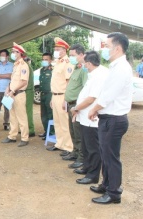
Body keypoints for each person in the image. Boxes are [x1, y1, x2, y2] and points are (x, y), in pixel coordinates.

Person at [88, 32, 132, 204]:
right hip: (109, 118)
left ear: (118, 48)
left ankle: (113, 193)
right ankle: (106, 185)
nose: (104, 50)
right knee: (106, 154)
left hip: (114, 119)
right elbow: (106, 93)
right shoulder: (116, 66)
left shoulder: (122, 68)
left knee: (111, 158)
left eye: (107, 46)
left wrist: (94, 109)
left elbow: (108, 96)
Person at [71, 51, 109, 184]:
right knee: (86, 145)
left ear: (89, 63)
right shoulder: (93, 74)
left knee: (93, 148)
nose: (84, 65)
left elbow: (91, 98)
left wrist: (76, 108)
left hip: (91, 117)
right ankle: (87, 167)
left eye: (85, 63)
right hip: (84, 117)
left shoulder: (100, 75)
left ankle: (92, 175)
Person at [47, 37, 74, 152]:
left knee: (64, 123)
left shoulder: (68, 63)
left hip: (63, 95)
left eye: (58, 49)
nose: (56, 51)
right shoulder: (58, 62)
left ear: (64, 50)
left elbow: (68, 82)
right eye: (55, 49)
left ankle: (68, 146)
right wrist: (53, 98)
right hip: (55, 95)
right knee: (57, 122)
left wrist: (66, 99)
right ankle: (60, 143)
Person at [62, 44, 87, 169]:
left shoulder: (84, 70)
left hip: (77, 106)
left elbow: (84, 89)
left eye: (73, 55)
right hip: (71, 105)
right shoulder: (76, 68)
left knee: (79, 133)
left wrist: (78, 107)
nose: (71, 57)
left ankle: (81, 158)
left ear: (81, 55)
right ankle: (75, 153)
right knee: (72, 131)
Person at [1, 42, 29, 147]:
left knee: (22, 117)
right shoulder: (15, 65)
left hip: (19, 94)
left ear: (20, 53)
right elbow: (12, 80)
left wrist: (13, 91)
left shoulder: (23, 66)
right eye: (12, 52)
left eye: (14, 52)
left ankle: (24, 138)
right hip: (11, 94)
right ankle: (12, 136)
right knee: (12, 117)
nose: (12, 53)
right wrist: (8, 89)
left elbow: (23, 82)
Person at [38, 53, 54, 140]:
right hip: (42, 94)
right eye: (43, 59)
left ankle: (51, 133)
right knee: (43, 115)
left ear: (50, 60)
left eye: (46, 59)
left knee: (50, 114)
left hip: (49, 94)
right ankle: (46, 131)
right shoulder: (42, 70)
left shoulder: (53, 70)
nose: (44, 61)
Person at [24, 57, 35, 137]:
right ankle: (26, 129)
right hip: (26, 90)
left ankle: (30, 130)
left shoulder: (26, 67)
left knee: (28, 111)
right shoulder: (27, 66)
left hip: (28, 90)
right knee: (25, 111)